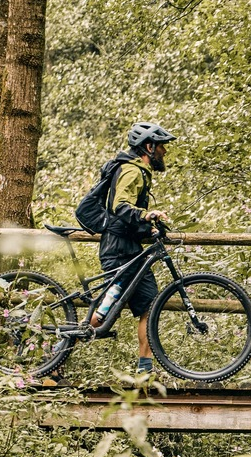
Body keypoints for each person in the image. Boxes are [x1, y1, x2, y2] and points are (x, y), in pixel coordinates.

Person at [90, 121, 175, 373]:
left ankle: (144, 371)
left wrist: (147, 227)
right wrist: (146, 215)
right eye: (161, 147)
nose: (164, 152)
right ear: (149, 147)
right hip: (118, 249)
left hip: (130, 248)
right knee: (106, 312)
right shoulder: (132, 170)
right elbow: (120, 205)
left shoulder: (139, 171)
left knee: (150, 305)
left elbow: (126, 215)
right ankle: (56, 351)